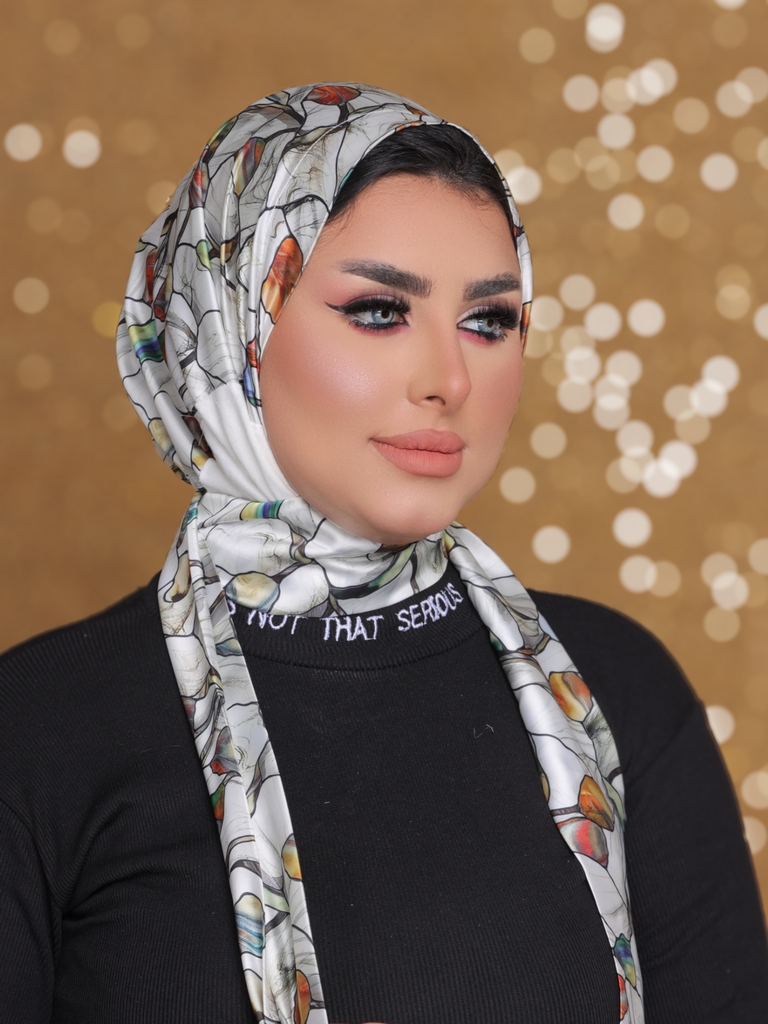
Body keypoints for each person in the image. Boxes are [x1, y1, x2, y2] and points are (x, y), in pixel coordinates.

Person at [1, 83, 767, 1024]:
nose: (449, 380)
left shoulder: (618, 691)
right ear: (230, 325)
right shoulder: (38, 733)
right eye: (377, 311)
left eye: (489, 321)